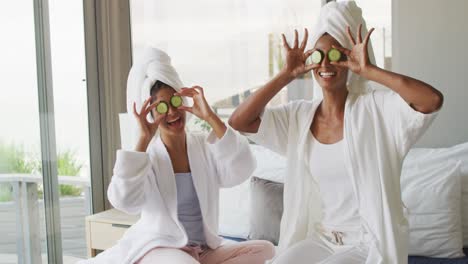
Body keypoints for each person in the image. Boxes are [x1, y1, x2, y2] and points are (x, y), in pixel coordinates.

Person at [228, 1, 443, 263]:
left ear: (350, 58)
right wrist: (286, 74)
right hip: (322, 239)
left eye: (337, 55)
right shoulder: (299, 116)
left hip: (365, 243)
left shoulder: (376, 110)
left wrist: (371, 71)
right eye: (319, 55)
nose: (326, 64)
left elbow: (431, 101)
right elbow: (240, 121)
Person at [78, 47, 274, 264]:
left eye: (176, 102)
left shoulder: (203, 145)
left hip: (201, 249)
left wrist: (211, 117)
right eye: (162, 106)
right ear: (151, 112)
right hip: (161, 247)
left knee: (264, 250)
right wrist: (143, 138)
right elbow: (125, 202)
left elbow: (242, 169)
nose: (171, 112)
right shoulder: (148, 156)